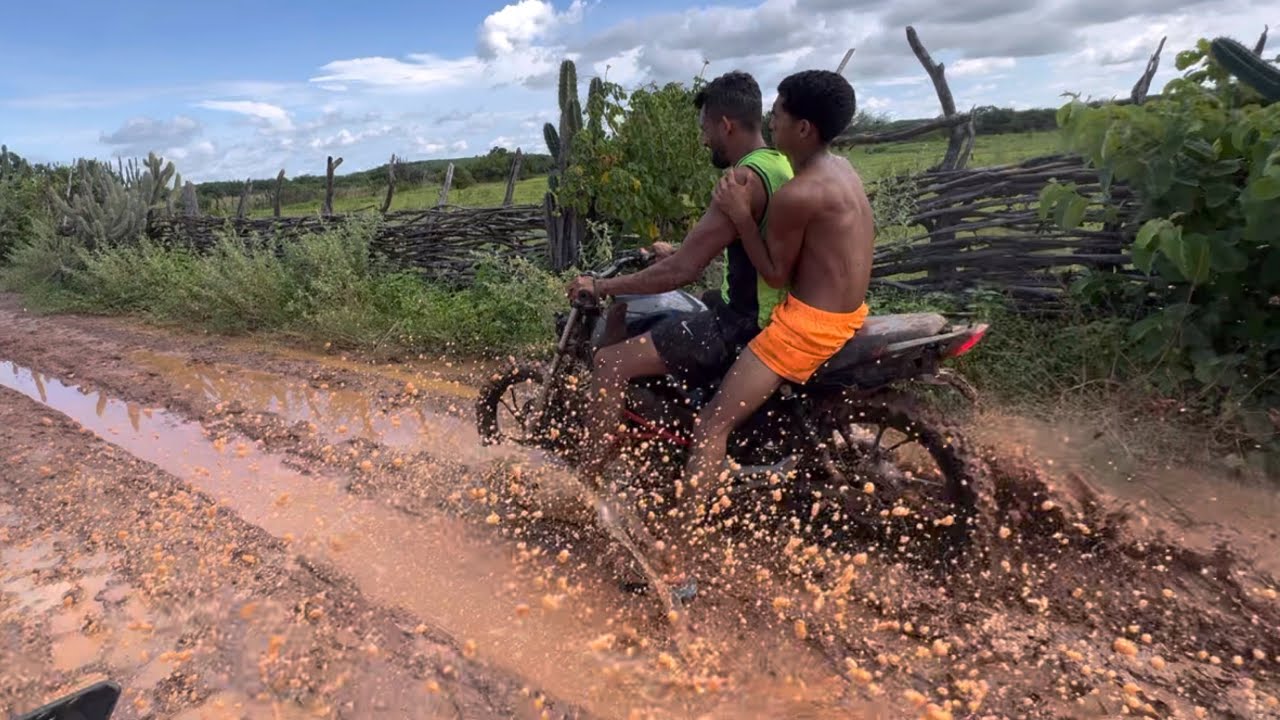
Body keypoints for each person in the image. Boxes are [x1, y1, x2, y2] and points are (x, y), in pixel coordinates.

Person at [564, 70, 795, 495]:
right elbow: (745, 242)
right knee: (685, 312)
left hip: (742, 322)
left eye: (705, 128)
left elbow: (678, 274)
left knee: (610, 363)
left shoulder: (740, 179)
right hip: (771, 308)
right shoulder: (777, 165)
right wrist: (684, 251)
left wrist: (601, 287)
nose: (704, 139)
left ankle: (585, 485)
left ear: (725, 124)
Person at [682, 69, 871, 526]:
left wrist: (740, 217)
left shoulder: (798, 193)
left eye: (778, 114)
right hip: (850, 313)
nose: (772, 123)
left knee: (711, 424)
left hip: (806, 328)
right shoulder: (840, 170)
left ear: (803, 128)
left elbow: (773, 272)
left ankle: (676, 551)